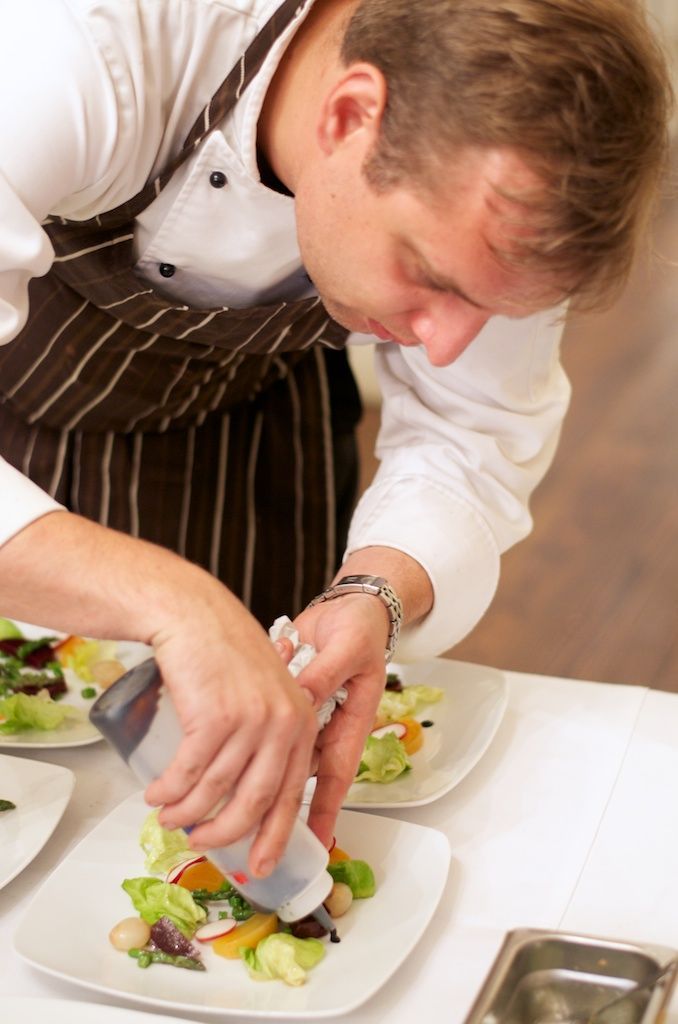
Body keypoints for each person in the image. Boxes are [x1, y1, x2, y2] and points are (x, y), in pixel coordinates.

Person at [0, 0, 671, 876]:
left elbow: (472, 429)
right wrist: (178, 603)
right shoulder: (78, 43)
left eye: (487, 306)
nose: (445, 345)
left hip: (237, 431)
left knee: (201, 835)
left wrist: (374, 593)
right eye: (428, 275)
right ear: (351, 113)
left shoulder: (512, 186)